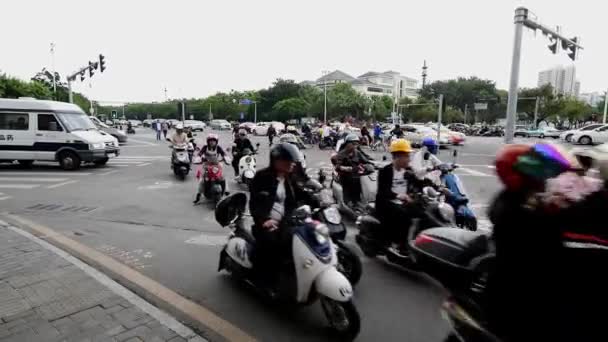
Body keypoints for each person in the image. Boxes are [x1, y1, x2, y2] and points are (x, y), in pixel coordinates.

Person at [249, 143, 317, 287]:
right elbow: (255, 203)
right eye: (288, 161)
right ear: (276, 161)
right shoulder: (262, 177)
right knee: (274, 247)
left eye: (293, 161)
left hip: (287, 221)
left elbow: (301, 194)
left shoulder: (289, 178)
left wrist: (319, 201)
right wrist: (264, 220)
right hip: (267, 224)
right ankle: (266, 281)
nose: (292, 164)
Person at [375, 139, 431, 251]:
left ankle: (418, 243)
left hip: (404, 202)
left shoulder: (408, 171)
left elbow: (419, 182)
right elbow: (383, 192)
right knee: (404, 217)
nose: (409, 160)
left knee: (426, 215)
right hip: (386, 203)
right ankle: (400, 244)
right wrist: (398, 196)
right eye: (406, 156)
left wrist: (437, 188)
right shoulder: (385, 171)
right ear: (397, 156)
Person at [333, 134, 373, 206]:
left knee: (361, 195)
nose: (355, 146)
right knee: (348, 202)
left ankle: (358, 201)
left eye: (357, 144)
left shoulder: (357, 152)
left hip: (357, 177)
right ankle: (347, 203)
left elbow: (366, 161)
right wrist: (346, 168)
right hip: (346, 178)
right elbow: (337, 167)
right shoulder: (341, 154)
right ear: (347, 144)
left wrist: (371, 165)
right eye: (353, 144)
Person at [193, 134, 227, 204]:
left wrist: (226, 158)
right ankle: (198, 195)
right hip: (206, 164)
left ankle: (225, 191)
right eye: (210, 141)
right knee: (202, 180)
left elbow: (224, 154)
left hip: (216, 164)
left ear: (216, 142)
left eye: (214, 141)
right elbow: (200, 153)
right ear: (208, 141)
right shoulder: (205, 147)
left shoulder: (218, 148)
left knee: (222, 177)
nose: (212, 142)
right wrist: (198, 158)